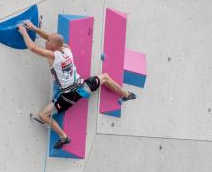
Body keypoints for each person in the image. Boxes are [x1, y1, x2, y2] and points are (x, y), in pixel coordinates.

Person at [17, 19, 136, 150]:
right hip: (83, 86)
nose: (46, 42)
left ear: (54, 46)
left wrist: (24, 32)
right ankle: (126, 94)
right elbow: (51, 38)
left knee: (43, 115)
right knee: (105, 77)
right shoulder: (66, 48)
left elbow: (33, 48)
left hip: (69, 96)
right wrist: (34, 28)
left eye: (48, 42)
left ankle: (63, 137)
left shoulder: (53, 56)